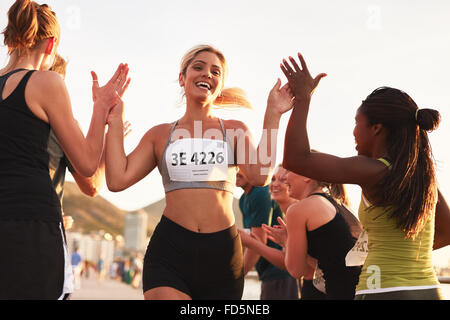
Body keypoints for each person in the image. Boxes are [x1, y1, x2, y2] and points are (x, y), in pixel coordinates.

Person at [105, 44, 294, 300]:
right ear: (182, 78)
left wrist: (273, 114)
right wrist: (114, 119)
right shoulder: (159, 135)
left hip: (222, 255)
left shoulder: (235, 130)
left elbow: (261, 175)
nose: (207, 74)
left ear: (219, 85)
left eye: (216, 72)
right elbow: (117, 179)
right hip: (169, 252)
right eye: (198, 67)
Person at [280, 52, 450, 299]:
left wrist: (304, 98)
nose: (353, 131)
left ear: (376, 128)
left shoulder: (376, 170)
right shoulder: (423, 177)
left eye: (356, 122)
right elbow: (447, 232)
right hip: (429, 290)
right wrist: (397, 253)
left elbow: (296, 159)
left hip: (383, 291)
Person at [0, 0, 129, 299]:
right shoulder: (46, 82)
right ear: (51, 45)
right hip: (31, 226)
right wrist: (101, 108)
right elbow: (86, 165)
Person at [240, 167, 362, 299]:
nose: (285, 178)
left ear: (306, 176)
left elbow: (297, 271)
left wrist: (282, 242)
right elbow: (331, 262)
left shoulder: (299, 209)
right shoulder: (334, 203)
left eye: (287, 173)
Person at [236, 167, 299, 300]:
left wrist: (237, 278)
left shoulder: (259, 193)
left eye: (241, 167)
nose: (237, 172)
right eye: (233, 167)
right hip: (268, 273)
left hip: (280, 276)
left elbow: (257, 241)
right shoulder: (243, 200)